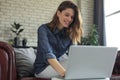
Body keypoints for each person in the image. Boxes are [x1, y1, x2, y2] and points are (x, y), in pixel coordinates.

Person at [34, 0, 83, 78]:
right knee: (76, 66)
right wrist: (65, 73)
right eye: (67, 15)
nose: (69, 19)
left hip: (59, 65)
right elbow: (49, 55)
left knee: (79, 63)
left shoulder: (69, 34)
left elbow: (74, 56)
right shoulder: (43, 29)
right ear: (58, 13)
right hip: (42, 69)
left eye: (72, 17)